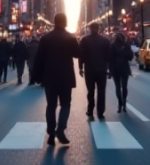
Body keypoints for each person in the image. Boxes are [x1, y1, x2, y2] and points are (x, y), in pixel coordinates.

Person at [32, 13, 81, 146]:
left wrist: (36, 76)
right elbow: (78, 54)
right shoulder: (70, 38)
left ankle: (51, 132)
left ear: (54, 22)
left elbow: (39, 59)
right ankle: (61, 129)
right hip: (66, 76)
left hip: (50, 76)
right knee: (65, 104)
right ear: (65, 22)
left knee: (51, 105)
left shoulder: (45, 38)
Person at [79, 23, 111, 119]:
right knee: (101, 91)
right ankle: (100, 112)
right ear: (98, 28)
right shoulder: (105, 41)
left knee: (90, 91)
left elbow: (82, 55)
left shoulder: (85, 40)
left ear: (89, 29)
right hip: (102, 69)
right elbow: (109, 56)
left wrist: (80, 67)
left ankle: (90, 110)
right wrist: (109, 69)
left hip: (89, 69)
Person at [110, 32, 134, 112]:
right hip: (124, 67)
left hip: (115, 68)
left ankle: (119, 103)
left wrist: (110, 70)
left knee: (117, 87)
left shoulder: (112, 45)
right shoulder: (126, 45)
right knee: (124, 86)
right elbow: (131, 57)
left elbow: (110, 58)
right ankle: (124, 103)